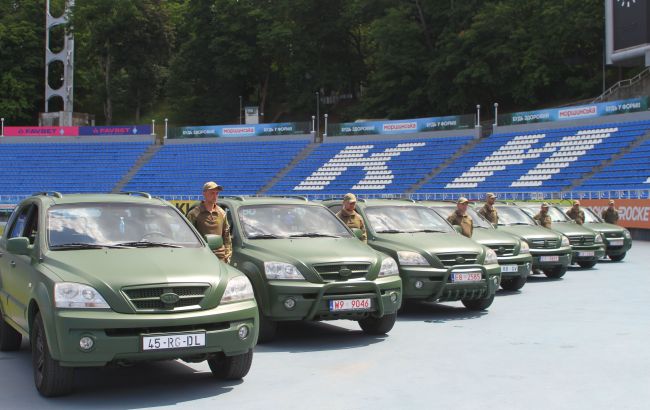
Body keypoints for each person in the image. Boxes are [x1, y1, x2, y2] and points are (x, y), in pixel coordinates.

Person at [187, 181, 232, 262]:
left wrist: (227, 254)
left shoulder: (222, 213)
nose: (215, 196)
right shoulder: (194, 214)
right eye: (212, 193)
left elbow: (226, 235)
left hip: (220, 257)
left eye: (217, 193)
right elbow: (188, 237)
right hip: (202, 257)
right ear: (204, 193)